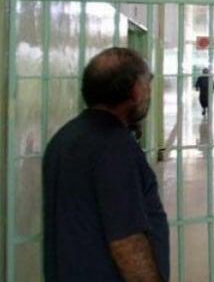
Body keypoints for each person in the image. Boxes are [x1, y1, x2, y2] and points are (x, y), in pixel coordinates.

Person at [42, 47, 169, 282]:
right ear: (136, 91)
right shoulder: (115, 148)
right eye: (147, 83)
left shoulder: (64, 138)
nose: (149, 92)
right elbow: (127, 242)